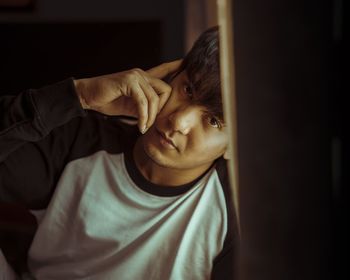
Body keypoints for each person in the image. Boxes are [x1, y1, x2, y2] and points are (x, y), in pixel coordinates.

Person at [0, 26, 237, 279]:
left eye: (213, 121)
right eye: (188, 90)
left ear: (236, 146)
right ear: (173, 74)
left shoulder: (233, 215)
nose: (179, 121)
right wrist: (80, 96)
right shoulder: (81, 142)